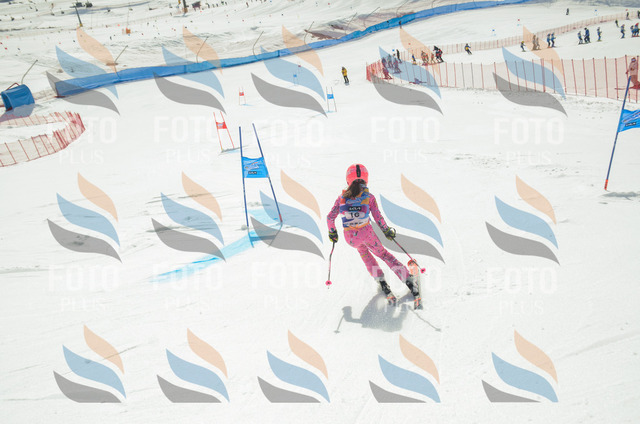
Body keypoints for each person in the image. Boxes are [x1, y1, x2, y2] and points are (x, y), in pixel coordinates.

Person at [327, 164, 422, 309]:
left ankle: (381, 282)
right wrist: (386, 231)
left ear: (348, 180)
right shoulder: (369, 197)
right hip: (367, 234)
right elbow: (378, 217)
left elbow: (330, 217)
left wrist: (333, 232)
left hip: (350, 238)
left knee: (364, 254)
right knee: (384, 255)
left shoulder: (341, 198)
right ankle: (409, 281)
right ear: (366, 179)